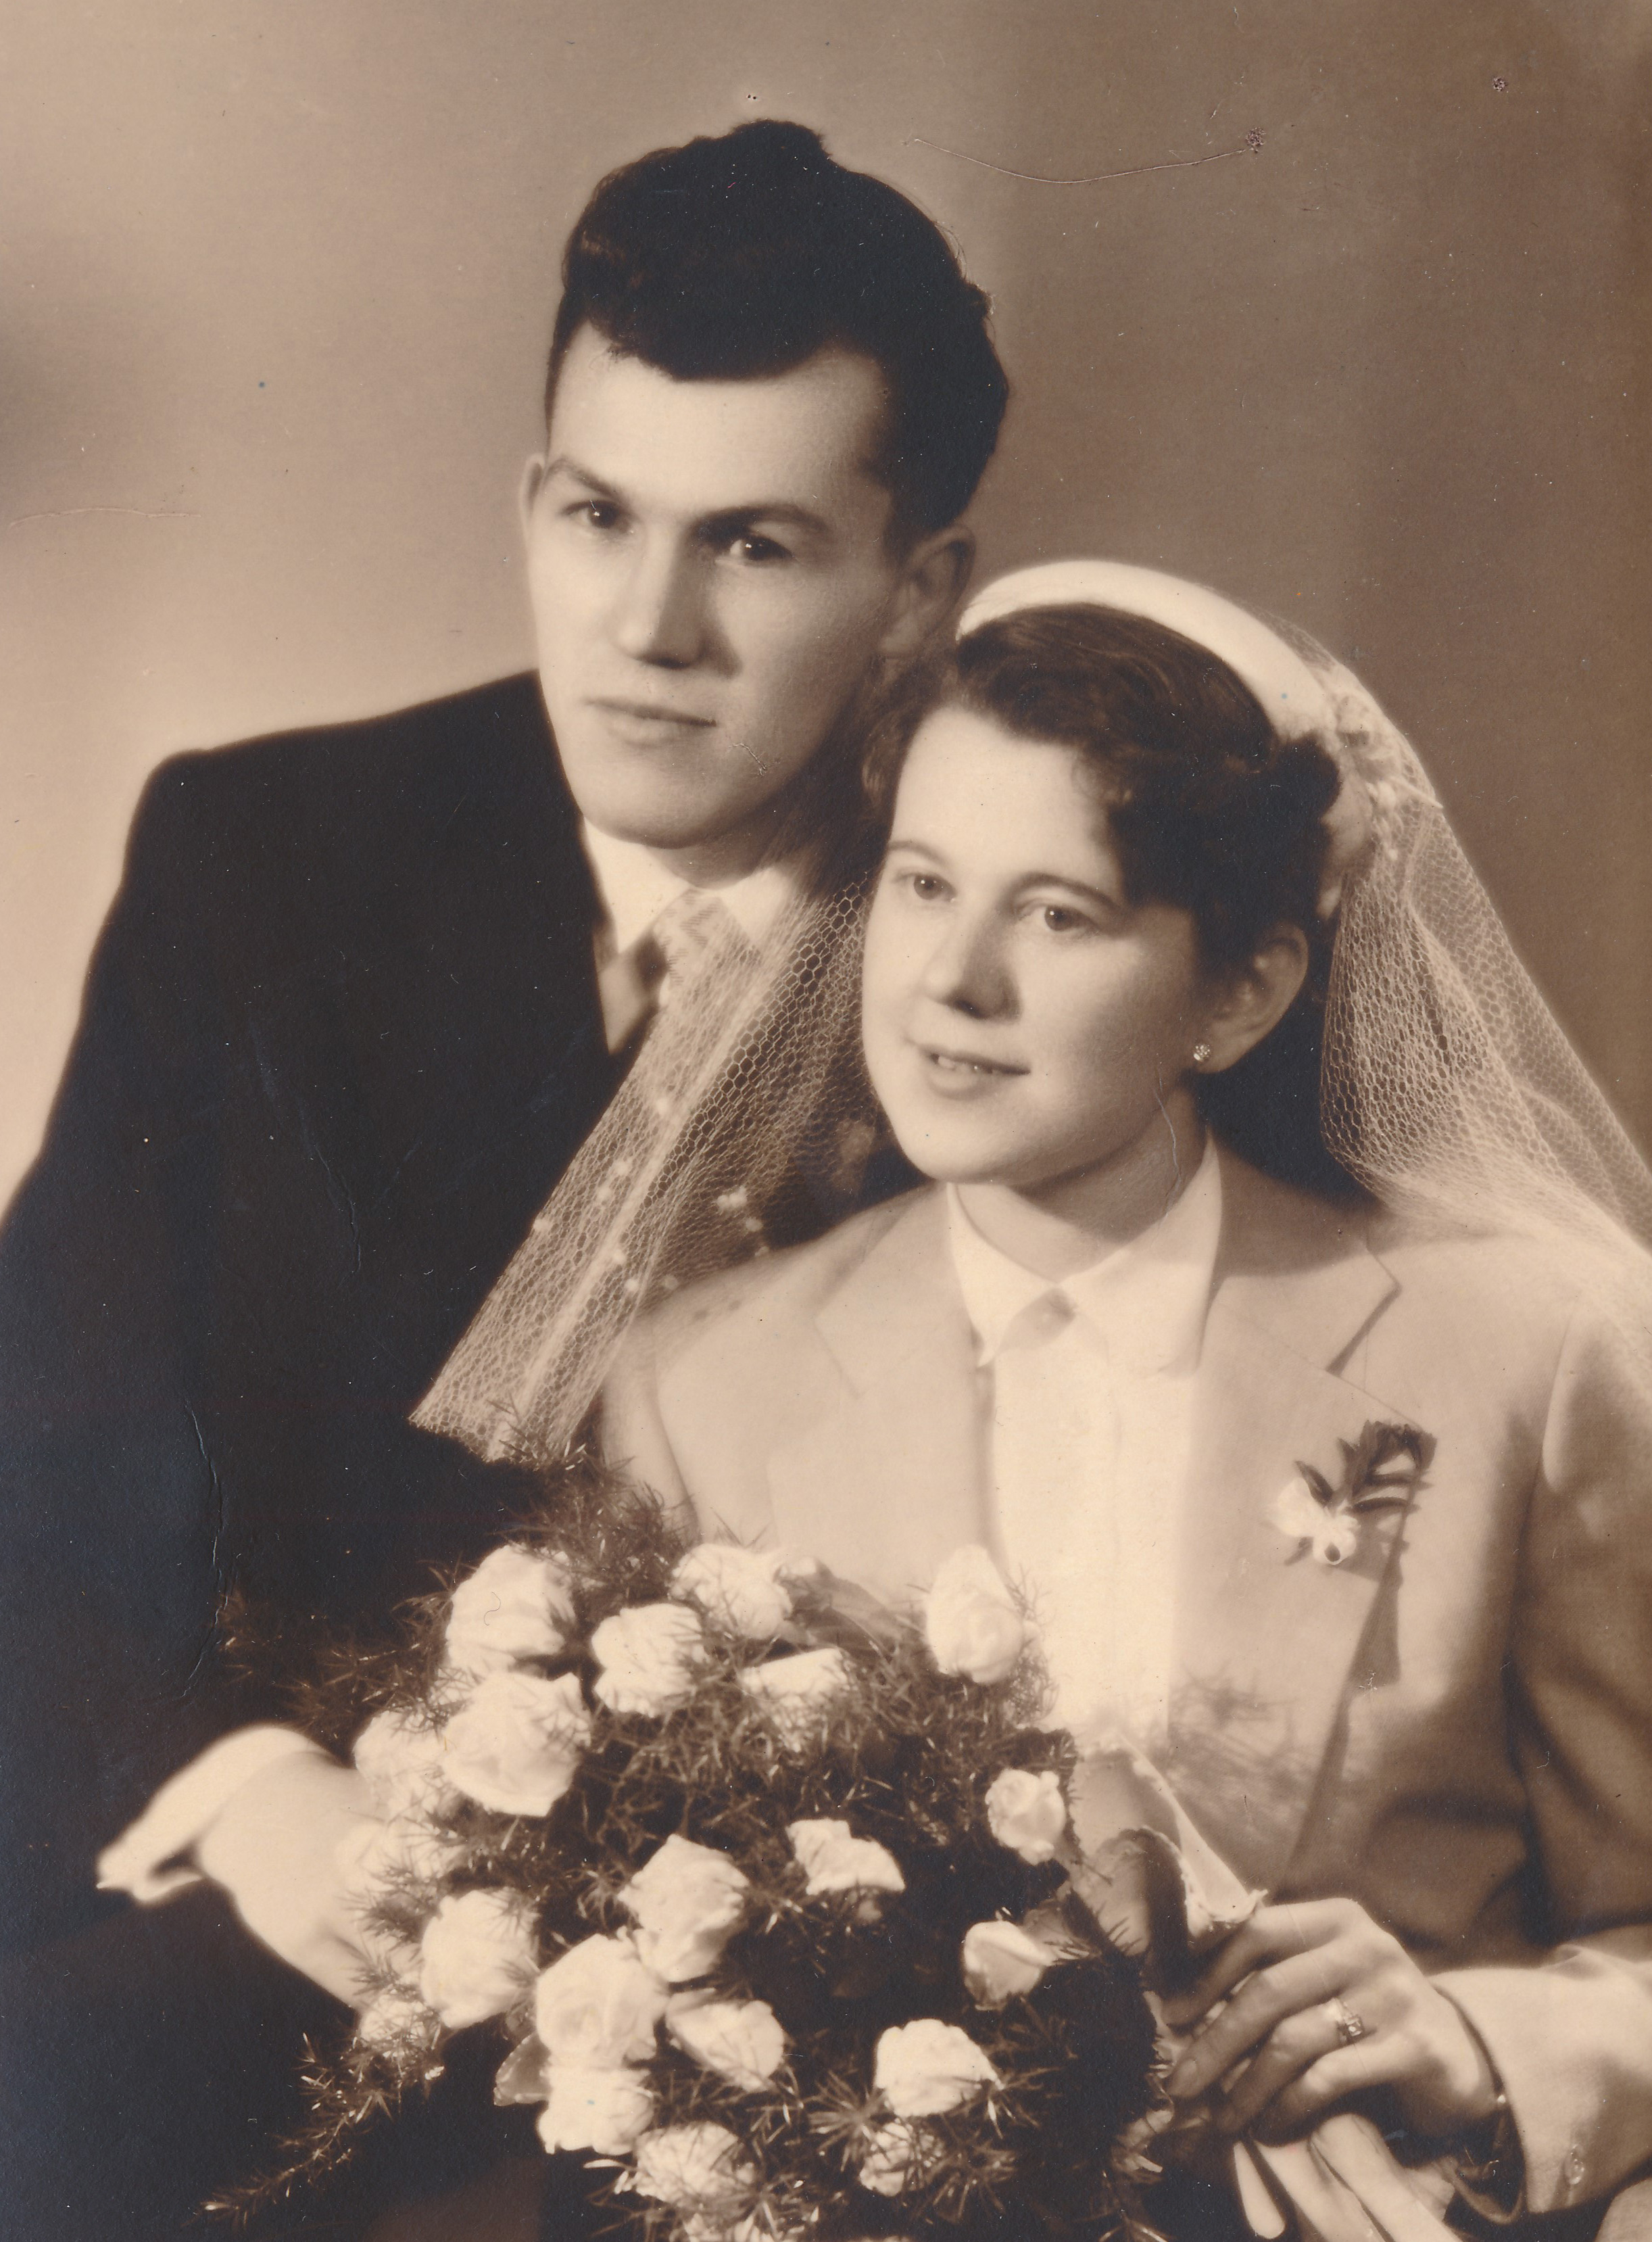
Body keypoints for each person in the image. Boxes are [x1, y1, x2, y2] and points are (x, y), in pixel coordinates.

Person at [0, 120, 1006, 2241]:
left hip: (751, 1970)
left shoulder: (1000, 958)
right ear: (533, 502)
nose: (646, 626)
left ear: (916, 589)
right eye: (595, 516)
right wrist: (243, 1789)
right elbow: (43, 1454)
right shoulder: (261, 853)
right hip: (232, 1842)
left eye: (753, 546)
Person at [598, 563, 1652, 2236]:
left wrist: (1481, 2037)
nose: (952, 980)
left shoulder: (1526, 1353)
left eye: (1059, 914)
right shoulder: (700, 1386)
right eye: (924, 884)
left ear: (1243, 990)